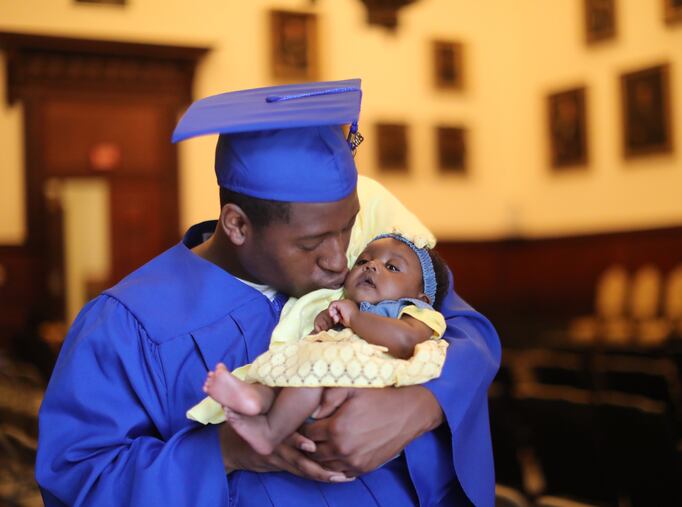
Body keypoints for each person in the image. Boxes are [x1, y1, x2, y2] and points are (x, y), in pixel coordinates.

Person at [35, 79, 501, 506]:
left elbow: (471, 336)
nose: (339, 261)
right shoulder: (126, 323)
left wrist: (421, 405)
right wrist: (229, 451)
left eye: (347, 228)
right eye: (312, 243)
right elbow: (80, 478)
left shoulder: (373, 256)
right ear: (237, 224)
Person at [193, 233, 450, 456]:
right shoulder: (346, 305)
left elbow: (405, 341)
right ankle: (254, 399)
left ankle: (270, 432)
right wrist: (327, 320)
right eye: (362, 260)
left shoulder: (414, 312)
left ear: (421, 296)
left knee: (309, 379)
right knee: (288, 376)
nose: (371, 266)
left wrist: (354, 317)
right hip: (323, 371)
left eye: (392, 267)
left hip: (357, 387)